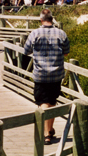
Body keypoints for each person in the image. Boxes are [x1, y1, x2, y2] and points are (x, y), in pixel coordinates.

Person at [23, 12, 69, 145]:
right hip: (56, 74)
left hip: (40, 74)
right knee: (52, 101)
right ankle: (49, 130)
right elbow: (66, 53)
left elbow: (26, 51)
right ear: (52, 19)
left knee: (43, 102)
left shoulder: (34, 33)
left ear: (41, 20)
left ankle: (46, 134)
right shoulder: (61, 33)